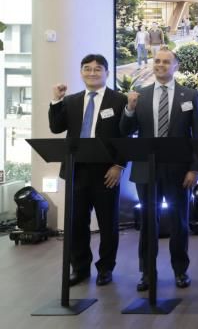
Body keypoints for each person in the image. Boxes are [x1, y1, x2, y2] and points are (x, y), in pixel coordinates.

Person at [120, 48, 198, 291]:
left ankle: (180, 271)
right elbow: (125, 130)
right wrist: (129, 109)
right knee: (148, 222)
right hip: (146, 168)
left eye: (167, 62)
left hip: (179, 170)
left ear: (176, 66)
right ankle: (147, 273)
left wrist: (195, 168)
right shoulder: (140, 95)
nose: (161, 65)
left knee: (179, 222)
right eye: (157, 61)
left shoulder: (190, 95)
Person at [48, 54, 127, 287]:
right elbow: (56, 128)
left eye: (97, 69)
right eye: (87, 69)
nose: (92, 73)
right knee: (76, 222)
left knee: (107, 224)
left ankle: (106, 268)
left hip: (106, 172)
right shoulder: (71, 101)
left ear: (107, 73)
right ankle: (80, 268)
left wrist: (119, 165)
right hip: (76, 169)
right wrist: (56, 101)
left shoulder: (119, 100)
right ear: (81, 72)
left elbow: (126, 135)